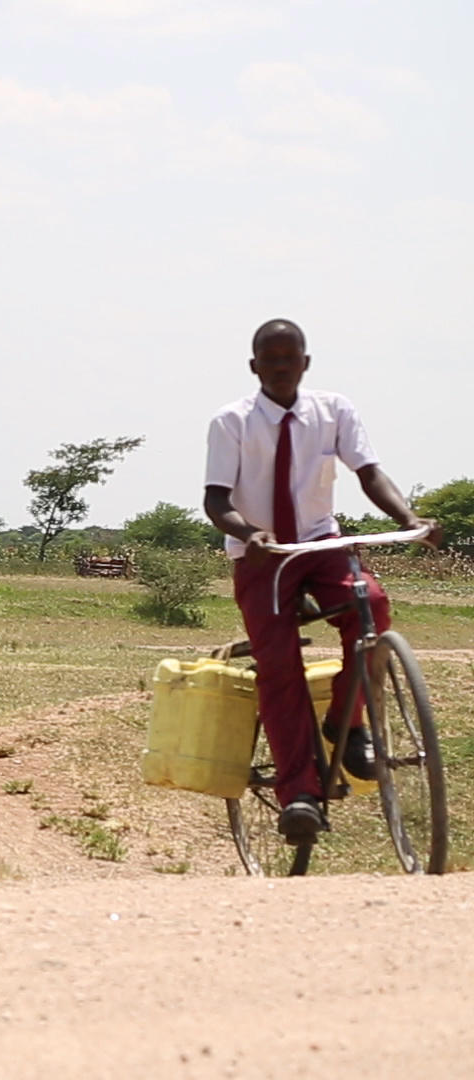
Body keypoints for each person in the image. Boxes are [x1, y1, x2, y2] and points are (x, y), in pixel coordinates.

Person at [203, 318, 440, 844]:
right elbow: (216, 501)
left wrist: (409, 521)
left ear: (306, 364)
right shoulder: (232, 422)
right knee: (279, 668)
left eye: (292, 359)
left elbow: (369, 472)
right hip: (263, 556)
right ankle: (300, 796)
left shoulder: (334, 410)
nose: (283, 368)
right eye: (272, 360)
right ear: (255, 366)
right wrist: (251, 533)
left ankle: (346, 721)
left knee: (371, 606)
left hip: (321, 543)